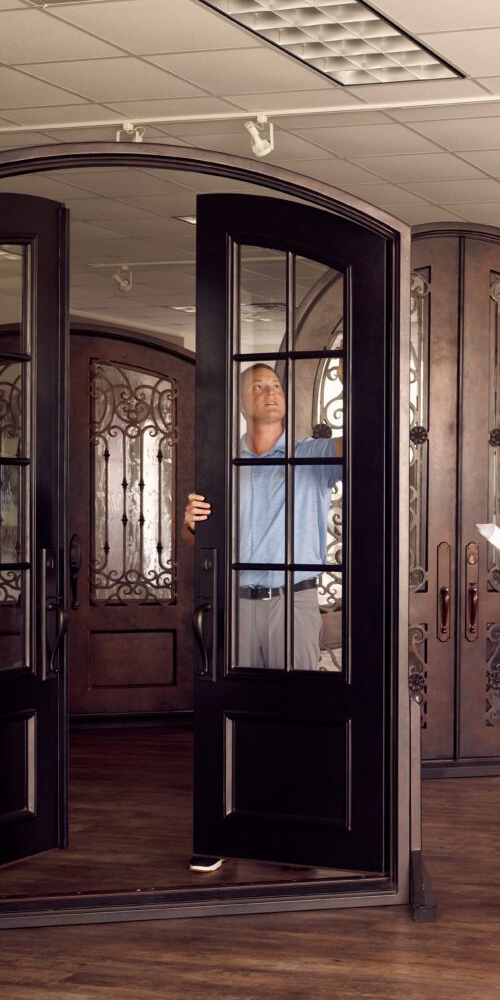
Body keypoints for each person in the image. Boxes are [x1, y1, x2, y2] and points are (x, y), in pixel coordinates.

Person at [181, 362, 342, 872]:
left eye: (276, 386)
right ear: (242, 400)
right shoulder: (220, 462)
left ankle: (300, 830)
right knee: (229, 714)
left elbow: (367, 445)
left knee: (296, 713)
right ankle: (222, 830)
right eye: (259, 386)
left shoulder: (311, 455)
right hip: (234, 603)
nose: (270, 392)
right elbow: (196, 540)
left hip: (293, 601)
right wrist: (187, 525)